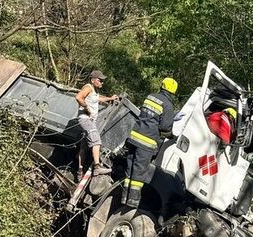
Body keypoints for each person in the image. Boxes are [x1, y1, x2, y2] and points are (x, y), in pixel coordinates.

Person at [123, 78, 177, 208]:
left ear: (162, 86)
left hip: (134, 137)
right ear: (173, 92)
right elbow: (164, 127)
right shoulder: (168, 105)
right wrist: (171, 135)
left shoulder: (150, 97)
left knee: (130, 169)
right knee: (139, 172)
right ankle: (133, 201)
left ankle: (124, 196)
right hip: (147, 142)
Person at [75, 70, 118, 176]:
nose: (101, 83)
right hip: (86, 119)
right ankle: (97, 167)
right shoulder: (88, 87)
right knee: (96, 141)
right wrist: (86, 108)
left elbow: (99, 98)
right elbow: (78, 97)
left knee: (84, 147)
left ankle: (80, 171)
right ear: (93, 80)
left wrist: (110, 98)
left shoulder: (94, 91)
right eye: (100, 80)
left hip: (88, 120)